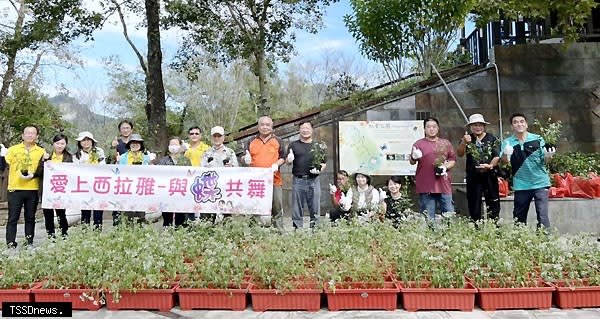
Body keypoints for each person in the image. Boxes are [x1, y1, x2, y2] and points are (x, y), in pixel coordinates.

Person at [500, 113, 555, 229]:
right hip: (521, 184)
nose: (519, 124)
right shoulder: (507, 142)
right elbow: (504, 162)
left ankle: (545, 242)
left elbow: (546, 160)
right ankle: (520, 240)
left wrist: (549, 155)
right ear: (512, 126)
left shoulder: (537, 139)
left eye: (521, 121)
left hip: (540, 183)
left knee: (542, 215)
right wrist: (505, 154)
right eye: (515, 122)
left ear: (526, 124)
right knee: (519, 216)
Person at [1, 126, 46, 248]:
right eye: (27, 133)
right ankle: (10, 243)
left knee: (30, 217)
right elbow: (3, 164)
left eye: (33, 133)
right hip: (15, 188)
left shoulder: (41, 152)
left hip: (32, 189)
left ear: (37, 136)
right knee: (13, 217)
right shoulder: (13, 150)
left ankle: (29, 242)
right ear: (22, 135)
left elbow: (42, 169)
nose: (30, 135)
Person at [409, 117, 456, 221]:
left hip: (443, 184)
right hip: (426, 185)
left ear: (438, 128)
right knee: (428, 217)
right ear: (424, 129)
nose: (431, 129)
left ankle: (449, 235)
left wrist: (445, 167)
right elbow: (412, 162)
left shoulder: (445, 143)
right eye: (428, 127)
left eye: (434, 127)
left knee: (449, 213)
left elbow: (452, 160)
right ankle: (430, 236)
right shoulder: (418, 144)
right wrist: (413, 156)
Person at [456, 114, 501, 222]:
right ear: (470, 127)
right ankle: (476, 227)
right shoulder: (468, 138)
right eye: (475, 125)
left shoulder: (492, 138)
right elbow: (459, 153)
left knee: (493, 203)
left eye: (480, 125)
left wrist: (490, 165)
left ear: (484, 126)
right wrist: (464, 142)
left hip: (490, 175)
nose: (478, 127)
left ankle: (494, 228)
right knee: (474, 204)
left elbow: (497, 156)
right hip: (473, 176)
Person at [243, 116, 285, 230]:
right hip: (255, 181)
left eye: (268, 125)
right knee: (254, 207)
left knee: (277, 206)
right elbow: (244, 157)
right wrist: (245, 158)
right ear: (258, 126)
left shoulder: (278, 141)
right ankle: (255, 232)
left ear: (272, 127)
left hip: (274, 180)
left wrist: (277, 164)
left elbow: (283, 157)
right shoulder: (251, 141)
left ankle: (279, 232)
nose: (265, 127)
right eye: (262, 124)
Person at [286, 121, 326, 228]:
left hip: (314, 180)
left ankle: (315, 231)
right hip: (298, 180)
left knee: (315, 207)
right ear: (299, 130)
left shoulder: (319, 145)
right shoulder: (293, 145)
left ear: (312, 130)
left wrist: (319, 169)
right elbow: (287, 162)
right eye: (302, 128)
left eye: (307, 128)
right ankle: (298, 231)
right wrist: (289, 159)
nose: (305, 130)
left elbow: (323, 163)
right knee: (297, 208)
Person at [35, 134, 72, 238]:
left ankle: (64, 234)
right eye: (57, 143)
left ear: (66, 144)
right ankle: (51, 236)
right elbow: (39, 172)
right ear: (53, 144)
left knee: (61, 214)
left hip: (61, 189)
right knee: (48, 214)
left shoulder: (69, 157)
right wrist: (44, 161)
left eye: (62, 143)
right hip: (47, 191)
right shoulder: (46, 156)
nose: (60, 146)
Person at [156, 137, 192, 227]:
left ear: (180, 146)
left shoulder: (185, 160)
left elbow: (189, 174)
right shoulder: (163, 161)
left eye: (175, 144)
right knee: (167, 217)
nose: (173, 147)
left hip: (181, 192)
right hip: (167, 193)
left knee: (181, 217)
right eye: (171, 145)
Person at [73, 131, 106, 229]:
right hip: (84, 187)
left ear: (92, 141)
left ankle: (97, 233)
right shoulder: (76, 156)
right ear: (80, 142)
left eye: (88, 140)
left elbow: (103, 166)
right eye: (83, 140)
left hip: (98, 185)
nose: (86, 142)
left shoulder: (99, 152)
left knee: (98, 212)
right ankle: (85, 233)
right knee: (85, 212)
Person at [118, 133, 152, 223]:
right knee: (128, 214)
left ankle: (140, 232)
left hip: (141, 188)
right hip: (127, 188)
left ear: (141, 145)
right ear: (129, 145)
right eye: (132, 143)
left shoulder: (146, 158)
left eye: (137, 143)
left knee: (141, 213)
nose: (135, 145)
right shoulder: (123, 158)